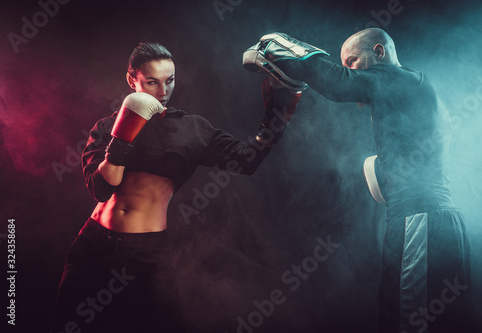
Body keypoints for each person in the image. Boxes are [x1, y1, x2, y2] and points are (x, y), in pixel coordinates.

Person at [51, 42, 300, 333]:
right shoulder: (107, 126)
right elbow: (101, 190)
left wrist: (275, 121)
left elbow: (247, 161)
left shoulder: (193, 128)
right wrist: (122, 136)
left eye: (169, 81)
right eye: (152, 82)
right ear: (132, 80)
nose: (163, 91)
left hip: (144, 252)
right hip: (92, 244)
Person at [243, 29, 473, 333]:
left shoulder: (397, 77)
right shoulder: (415, 90)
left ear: (378, 52)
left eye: (352, 61)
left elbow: (339, 84)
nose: (348, 69)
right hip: (438, 222)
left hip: (419, 221)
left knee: (407, 324)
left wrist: (277, 45)